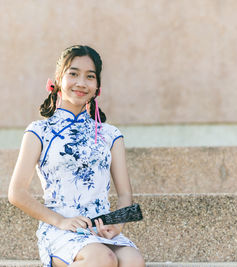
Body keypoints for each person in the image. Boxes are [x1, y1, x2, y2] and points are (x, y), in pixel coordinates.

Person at [8, 45, 145, 267]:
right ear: (58, 79)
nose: (81, 83)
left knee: (133, 260)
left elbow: (125, 194)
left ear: (97, 86)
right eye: (73, 74)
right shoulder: (39, 131)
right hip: (61, 229)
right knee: (102, 258)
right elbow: (16, 193)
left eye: (90, 77)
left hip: (100, 231)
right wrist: (60, 221)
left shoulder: (110, 135)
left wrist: (117, 225)